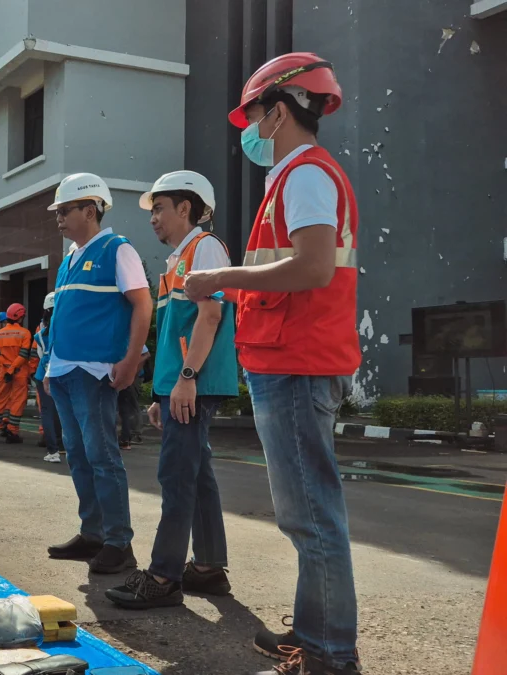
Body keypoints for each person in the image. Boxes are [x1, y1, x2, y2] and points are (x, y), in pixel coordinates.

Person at [183, 53, 360, 675]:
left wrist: (217, 278)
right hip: (290, 360)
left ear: (278, 111)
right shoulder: (296, 176)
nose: (247, 130)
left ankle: (330, 656)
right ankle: (315, 636)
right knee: (307, 514)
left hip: (297, 363)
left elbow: (312, 268)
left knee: (311, 517)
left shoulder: (305, 176)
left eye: (252, 116)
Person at [106, 170, 238, 611]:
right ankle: (207, 568)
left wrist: (186, 380)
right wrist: (167, 391)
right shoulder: (180, 259)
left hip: (192, 382)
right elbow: (176, 332)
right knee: (196, 472)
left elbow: (210, 317)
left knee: (177, 474)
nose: (153, 218)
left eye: (159, 208)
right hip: (182, 385)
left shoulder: (206, 247)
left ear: (187, 208)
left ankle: (164, 574)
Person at [43, 172, 153, 575]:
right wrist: (49, 367)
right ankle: (92, 533)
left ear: (90, 210)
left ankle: (118, 542)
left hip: (95, 372)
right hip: (65, 371)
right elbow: (60, 319)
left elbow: (143, 306)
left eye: (65, 210)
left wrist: (130, 360)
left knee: (102, 457)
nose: (58, 217)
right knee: (78, 456)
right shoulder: (70, 257)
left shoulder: (116, 249)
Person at [0, 303, 32, 444]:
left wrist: (7, 366)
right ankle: (12, 432)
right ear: (20, 317)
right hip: (19, 372)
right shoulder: (25, 333)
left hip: (3, 372)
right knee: (18, 401)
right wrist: (13, 368)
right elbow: (24, 355)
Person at [31, 292, 63, 462]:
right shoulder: (66, 329)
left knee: (47, 412)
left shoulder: (40, 334)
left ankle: (53, 451)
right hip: (62, 372)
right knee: (63, 410)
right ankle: (65, 446)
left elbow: (40, 354)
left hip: (43, 374)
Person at [117, 346, 150, 451]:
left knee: (129, 406)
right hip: (123, 375)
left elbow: (145, 354)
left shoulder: (130, 334)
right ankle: (126, 437)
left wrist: (131, 370)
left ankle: (132, 436)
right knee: (124, 406)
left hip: (132, 376)